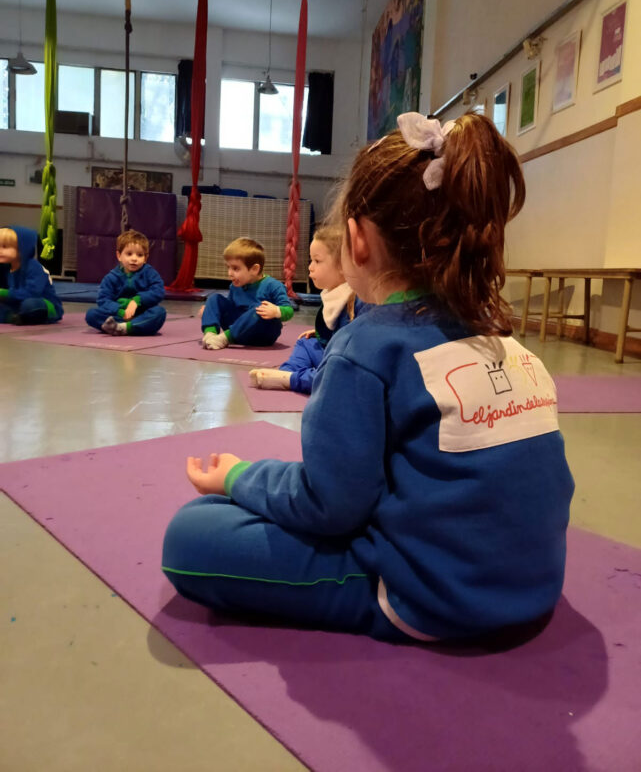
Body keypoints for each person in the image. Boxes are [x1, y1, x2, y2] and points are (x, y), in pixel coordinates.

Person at [162, 112, 575, 644]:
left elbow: (328, 507)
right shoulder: (505, 339)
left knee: (193, 532)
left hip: (435, 597)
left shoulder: (365, 345)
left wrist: (241, 477)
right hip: (531, 587)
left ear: (356, 242)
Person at [249, 224, 363, 392]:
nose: (310, 267)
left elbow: (349, 349)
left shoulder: (353, 300)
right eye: (311, 260)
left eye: (317, 261)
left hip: (341, 363)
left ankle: (293, 379)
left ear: (342, 265)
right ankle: (287, 373)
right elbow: (333, 328)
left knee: (335, 375)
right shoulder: (332, 293)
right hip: (330, 353)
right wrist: (319, 333)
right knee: (305, 343)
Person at [199, 237, 293, 350]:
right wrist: (211, 312)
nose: (230, 273)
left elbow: (289, 310)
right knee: (214, 299)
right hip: (238, 332)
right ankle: (210, 335)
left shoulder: (273, 286)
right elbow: (230, 308)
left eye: (235, 269)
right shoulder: (235, 286)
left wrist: (276, 311)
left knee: (259, 307)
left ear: (254, 269)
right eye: (228, 267)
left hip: (262, 335)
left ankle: (225, 338)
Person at [85, 229, 166, 336]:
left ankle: (124, 327)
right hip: (119, 315)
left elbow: (158, 291)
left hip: (141, 314)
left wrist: (137, 301)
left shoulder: (150, 273)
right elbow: (103, 300)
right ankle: (124, 326)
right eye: (129, 254)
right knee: (91, 314)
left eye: (139, 255)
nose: (134, 259)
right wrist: (119, 311)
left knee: (159, 313)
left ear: (146, 258)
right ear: (119, 256)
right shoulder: (111, 277)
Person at [0, 225, 63, 325]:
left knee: (29, 305)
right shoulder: (5, 267)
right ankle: (14, 317)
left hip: (41, 302)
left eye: (5, 247)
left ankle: (22, 316)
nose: (0, 251)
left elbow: (32, 293)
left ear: (21, 248)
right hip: (16, 304)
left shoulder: (34, 267)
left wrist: (6, 293)